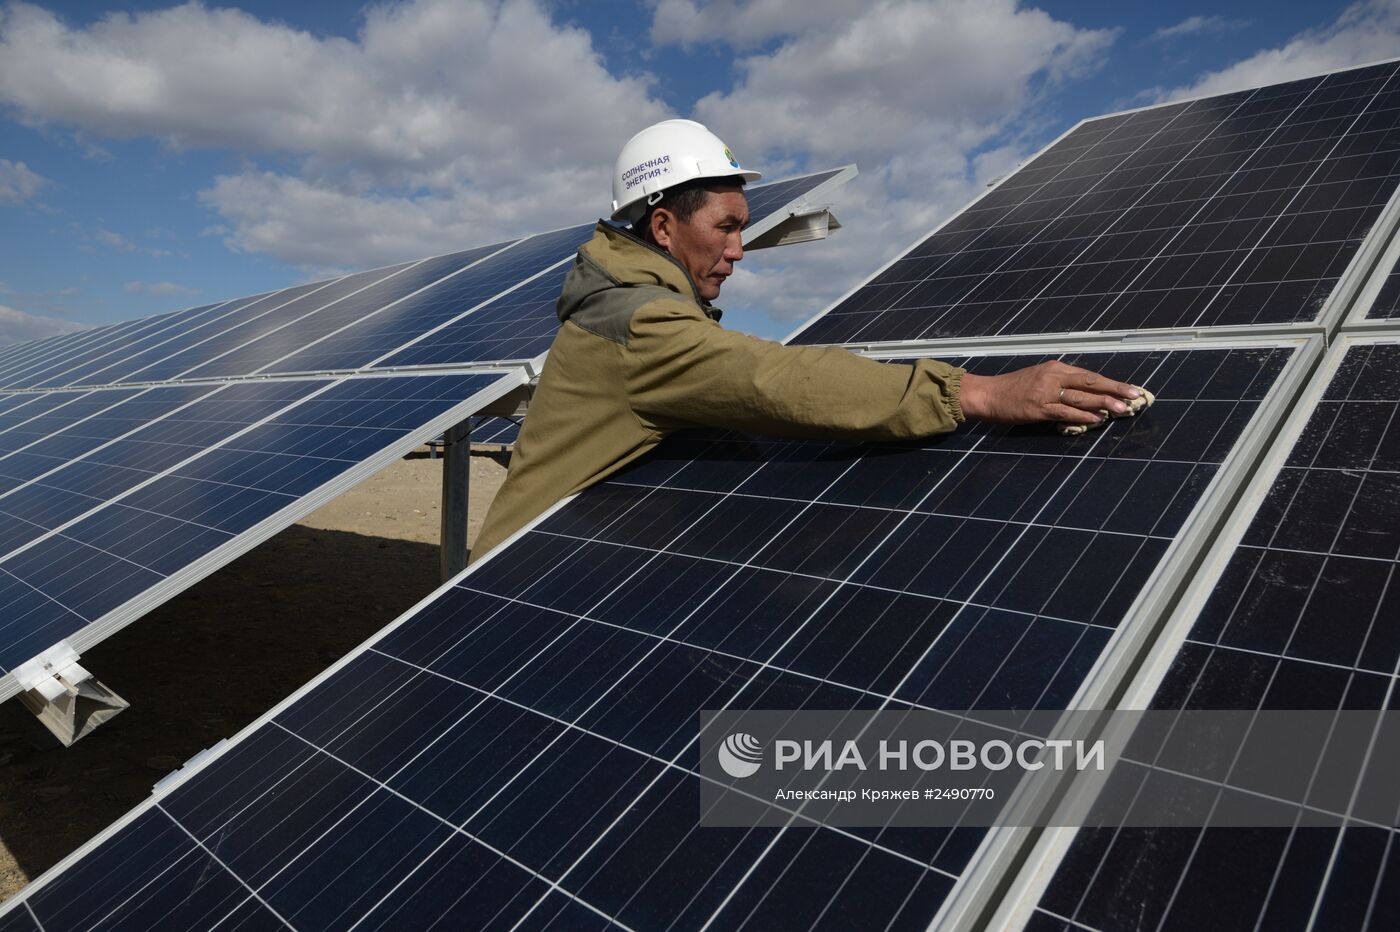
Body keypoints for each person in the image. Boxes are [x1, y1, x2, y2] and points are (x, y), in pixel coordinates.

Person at [470, 119, 1142, 562]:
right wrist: (979, 390)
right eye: (726, 227)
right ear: (666, 228)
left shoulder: (625, 305)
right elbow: (770, 379)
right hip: (512, 582)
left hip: (562, 558)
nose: (739, 249)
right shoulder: (641, 324)